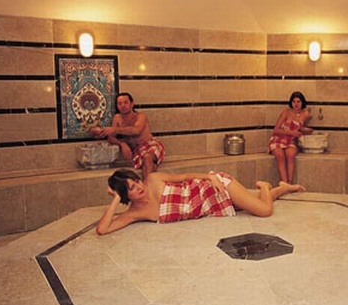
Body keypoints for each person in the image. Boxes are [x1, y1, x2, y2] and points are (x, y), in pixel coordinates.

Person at [96, 169, 305, 235]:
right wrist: (116, 198)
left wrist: (211, 177)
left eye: (136, 181)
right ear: (125, 195)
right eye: (131, 188)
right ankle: (283, 188)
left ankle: (265, 186)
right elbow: (103, 229)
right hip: (211, 206)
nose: (139, 187)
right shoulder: (134, 212)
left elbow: (185, 176)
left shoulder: (152, 179)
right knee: (255, 203)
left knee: (264, 210)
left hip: (214, 187)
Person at [90, 92, 165, 179]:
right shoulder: (117, 118)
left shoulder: (140, 116)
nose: (123, 106)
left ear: (132, 104)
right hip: (137, 151)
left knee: (147, 157)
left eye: (125, 102)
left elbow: (136, 130)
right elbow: (111, 138)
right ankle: (152, 184)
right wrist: (122, 144)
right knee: (149, 164)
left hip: (151, 145)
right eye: (120, 103)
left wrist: (115, 129)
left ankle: (148, 186)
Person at [268, 91, 313, 185]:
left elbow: (301, 128)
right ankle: (284, 184)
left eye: (298, 101)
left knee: (291, 154)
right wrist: (291, 132)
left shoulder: (305, 114)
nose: (296, 104)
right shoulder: (286, 112)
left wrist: (306, 130)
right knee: (280, 155)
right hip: (278, 139)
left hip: (291, 141)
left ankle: (290, 182)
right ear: (291, 102)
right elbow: (276, 130)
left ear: (302, 102)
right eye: (294, 101)